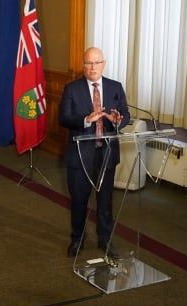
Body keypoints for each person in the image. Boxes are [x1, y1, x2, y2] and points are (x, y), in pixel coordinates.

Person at [59, 47, 130, 258]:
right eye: (88, 63)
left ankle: (105, 240)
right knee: (79, 201)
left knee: (105, 202)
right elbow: (63, 118)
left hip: (105, 154)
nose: (92, 67)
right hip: (80, 155)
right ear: (83, 65)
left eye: (96, 63)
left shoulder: (115, 87)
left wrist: (119, 121)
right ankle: (77, 240)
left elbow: (125, 114)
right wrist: (85, 120)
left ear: (104, 64)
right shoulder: (72, 89)